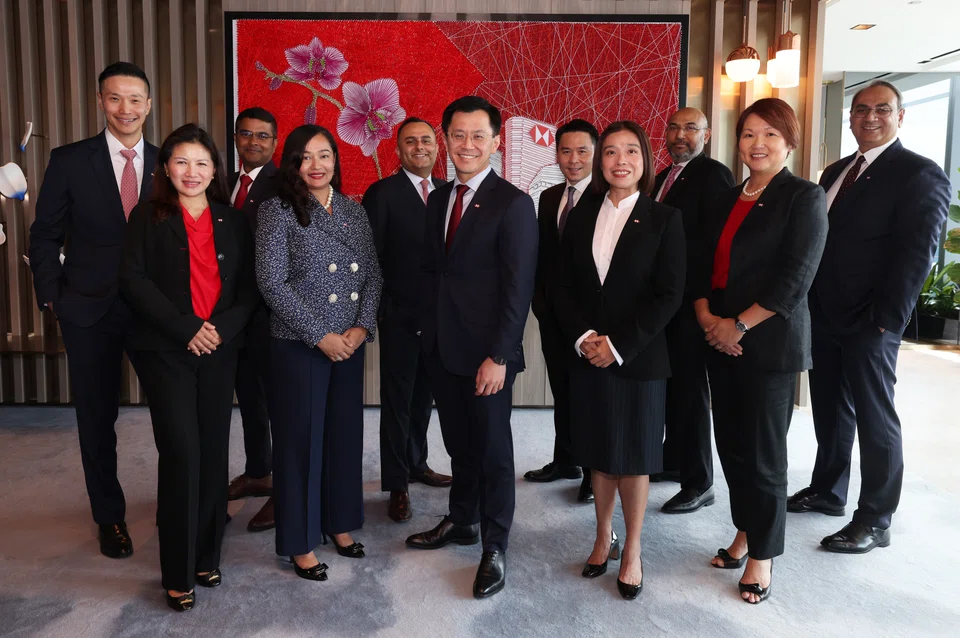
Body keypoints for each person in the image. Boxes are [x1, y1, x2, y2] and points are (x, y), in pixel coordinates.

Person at [790, 80, 951, 554]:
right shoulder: (836, 171)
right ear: (850, 117)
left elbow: (918, 253)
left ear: (901, 117)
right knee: (830, 410)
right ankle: (828, 491)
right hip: (824, 314)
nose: (870, 117)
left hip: (872, 320)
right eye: (861, 109)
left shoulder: (919, 173)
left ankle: (876, 518)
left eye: (883, 109)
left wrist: (887, 322)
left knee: (875, 420)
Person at [691, 98, 827, 604]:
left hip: (767, 344)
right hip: (720, 339)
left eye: (770, 134)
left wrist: (739, 325)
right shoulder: (728, 197)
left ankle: (763, 555)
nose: (758, 144)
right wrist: (708, 318)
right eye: (748, 134)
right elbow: (702, 263)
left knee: (765, 455)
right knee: (732, 447)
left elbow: (795, 278)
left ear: (789, 141)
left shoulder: (803, 196)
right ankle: (745, 531)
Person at [119, 123, 258, 611]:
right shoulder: (146, 216)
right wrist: (186, 329)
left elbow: (247, 290)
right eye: (181, 162)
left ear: (215, 170)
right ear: (166, 169)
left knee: (214, 451)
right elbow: (133, 281)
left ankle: (206, 555)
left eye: (202, 163)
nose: (192, 172)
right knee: (181, 453)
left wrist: (219, 329)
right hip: (167, 352)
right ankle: (177, 572)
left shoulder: (232, 220)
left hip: (220, 349)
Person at [405, 96, 538, 600]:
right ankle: (461, 520)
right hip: (442, 346)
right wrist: (425, 330)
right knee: (459, 443)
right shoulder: (439, 197)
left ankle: (495, 543)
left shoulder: (513, 203)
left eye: (478, 136)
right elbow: (431, 272)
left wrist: (500, 356)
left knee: (494, 452)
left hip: (488, 356)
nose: (467, 145)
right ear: (446, 139)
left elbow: (517, 287)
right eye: (457, 135)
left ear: (496, 142)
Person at [28, 61, 157, 559]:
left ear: (148, 103)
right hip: (87, 310)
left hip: (155, 314)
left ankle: (180, 505)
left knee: (174, 417)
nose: (125, 108)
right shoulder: (69, 160)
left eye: (135, 99)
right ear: (100, 101)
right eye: (115, 98)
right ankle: (110, 517)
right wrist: (52, 296)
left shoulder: (174, 161)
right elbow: (44, 235)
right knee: (97, 421)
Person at [553, 121, 685, 600]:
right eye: (610, 151)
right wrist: (587, 337)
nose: (620, 160)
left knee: (633, 457)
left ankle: (632, 548)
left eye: (631, 150)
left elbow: (669, 295)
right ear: (599, 160)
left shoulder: (664, 218)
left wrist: (620, 344)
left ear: (645, 160)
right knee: (600, 454)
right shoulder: (582, 215)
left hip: (639, 359)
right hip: (590, 355)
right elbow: (562, 286)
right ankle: (601, 535)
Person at [256, 125, 382, 581]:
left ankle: (339, 523)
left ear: (336, 161)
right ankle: (300, 541)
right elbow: (272, 282)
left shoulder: (353, 210)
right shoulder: (278, 211)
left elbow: (373, 275)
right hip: (300, 345)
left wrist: (359, 326)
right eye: (306, 157)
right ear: (292, 162)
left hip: (348, 343)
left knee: (344, 436)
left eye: (325, 156)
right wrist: (320, 335)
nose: (316, 166)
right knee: (300, 445)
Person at [362, 117, 452, 524]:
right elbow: (370, 258)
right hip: (399, 316)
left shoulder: (450, 193)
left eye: (426, 141)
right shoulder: (382, 193)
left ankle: (418, 463)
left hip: (441, 319)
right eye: (410, 141)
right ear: (397, 151)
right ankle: (396, 484)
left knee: (424, 399)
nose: (420, 147)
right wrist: (377, 311)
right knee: (398, 402)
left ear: (438, 148)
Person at [653, 108, 735, 513]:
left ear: (707, 133)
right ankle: (672, 461)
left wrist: (704, 303)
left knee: (690, 392)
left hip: (692, 302)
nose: (680, 135)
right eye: (673, 127)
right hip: (665, 301)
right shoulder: (662, 177)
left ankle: (700, 482)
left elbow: (714, 245)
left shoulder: (713, 174)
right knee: (671, 388)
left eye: (690, 128)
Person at [526, 118, 599, 504]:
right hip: (552, 314)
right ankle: (565, 459)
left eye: (582, 151)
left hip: (589, 322)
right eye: (565, 151)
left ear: (596, 153)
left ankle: (590, 473)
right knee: (562, 390)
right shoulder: (550, 196)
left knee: (586, 395)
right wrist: (540, 301)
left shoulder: (607, 197)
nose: (573, 160)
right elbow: (544, 257)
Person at [226, 106, 281, 533]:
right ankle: (258, 470)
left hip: (272, 313)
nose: (254, 142)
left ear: (275, 142)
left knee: (280, 404)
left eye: (263, 136)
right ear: (237, 139)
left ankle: (285, 489)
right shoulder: (222, 182)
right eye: (246, 134)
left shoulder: (285, 185)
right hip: (232, 314)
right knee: (249, 397)